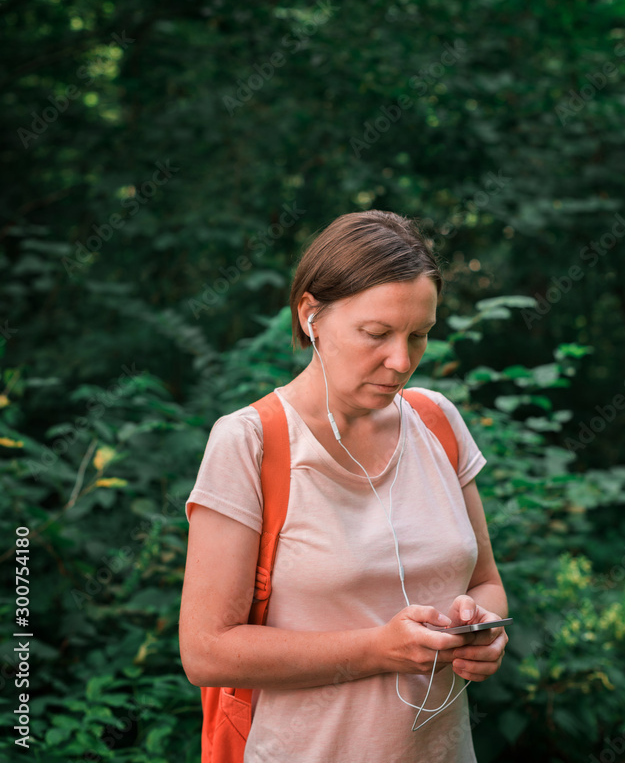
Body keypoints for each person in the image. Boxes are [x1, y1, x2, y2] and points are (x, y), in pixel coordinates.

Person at [179, 209, 509, 763]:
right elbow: (206, 652)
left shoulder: (437, 422)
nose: (401, 361)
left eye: (419, 335)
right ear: (311, 314)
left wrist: (486, 629)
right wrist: (379, 649)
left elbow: (486, 582)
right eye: (376, 334)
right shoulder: (251, 442)